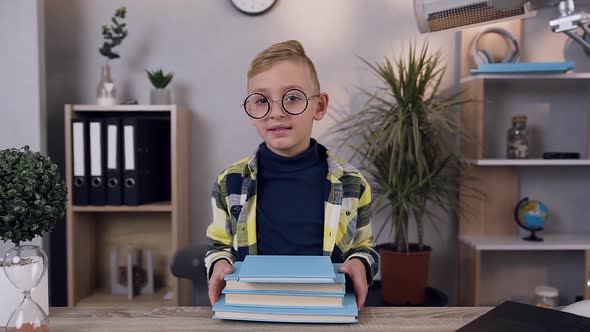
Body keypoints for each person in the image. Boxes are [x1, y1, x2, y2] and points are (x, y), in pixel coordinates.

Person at [205, 40, 379, 310]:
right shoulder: (230, 183)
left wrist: (359, 263)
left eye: (293, 98)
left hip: (325, 309)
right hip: (252, 308)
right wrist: (219, 263)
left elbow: (363, 246)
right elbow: (219, 245)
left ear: (319, 107)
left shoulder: (351, 183)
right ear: (250, 111)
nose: (276, 112)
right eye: (261, 101)